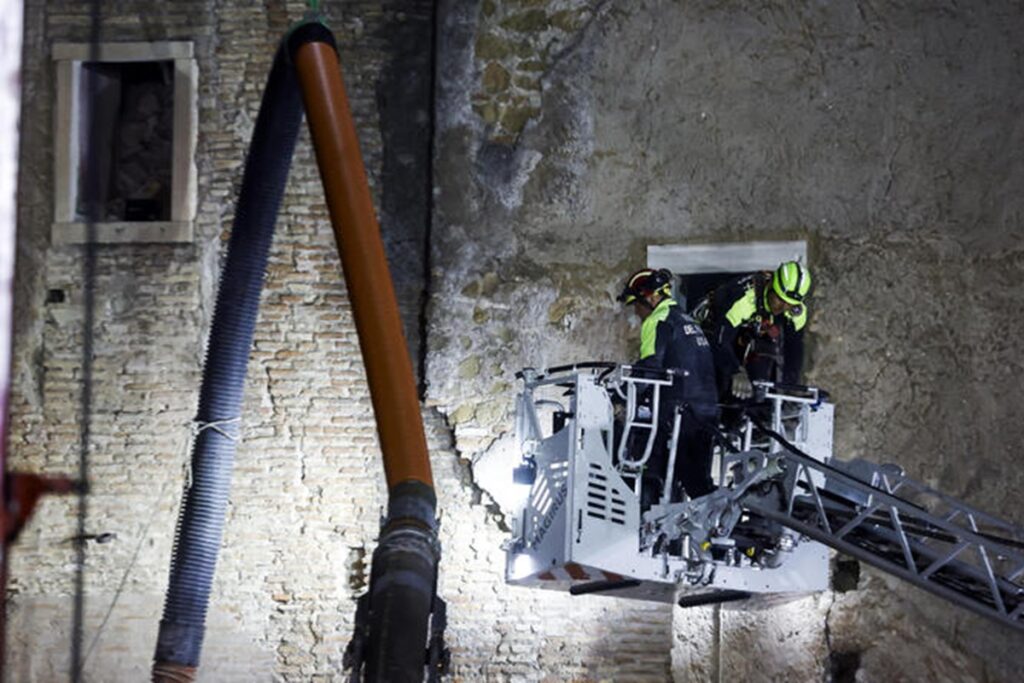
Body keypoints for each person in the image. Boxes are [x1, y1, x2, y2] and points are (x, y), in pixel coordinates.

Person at [617, 268, 719, 501]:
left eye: (637, 305)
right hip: (706, 412)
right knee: (696, 483)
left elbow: (650, 368)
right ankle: (707, 531)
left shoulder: (657, 320)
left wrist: (620, 398)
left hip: (679, 412)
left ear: (652, 298)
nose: (637, 312)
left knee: (653, 467)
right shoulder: (687, 320)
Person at [697, 261, 812, 400]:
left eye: (790, 304)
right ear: (771, 287)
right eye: (780, 299)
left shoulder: (796, 311)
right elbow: (720, 341)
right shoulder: (743, 300)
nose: (783, 307)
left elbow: (794, 349)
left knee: (761, 377)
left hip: (751, 332)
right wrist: (735, 371)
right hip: (715, 328)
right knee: (723, 380)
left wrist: (789, 390)